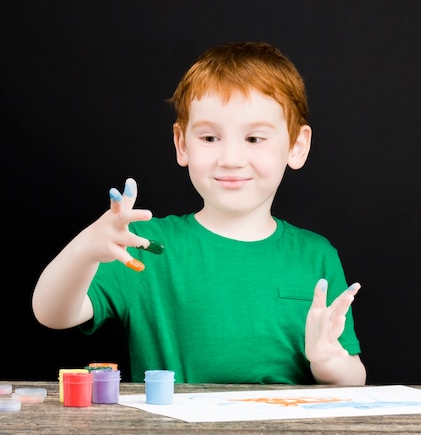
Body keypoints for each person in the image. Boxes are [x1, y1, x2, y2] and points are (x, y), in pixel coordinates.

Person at [32, 41, 366, 385]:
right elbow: (53, 314)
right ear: (182, 144)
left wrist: (327, 361)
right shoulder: (146, 246)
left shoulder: (316, 256)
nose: (231, 158)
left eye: (254, 139)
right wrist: (86, 248)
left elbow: (353, 378)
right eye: (209, 138)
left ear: (296, 146)